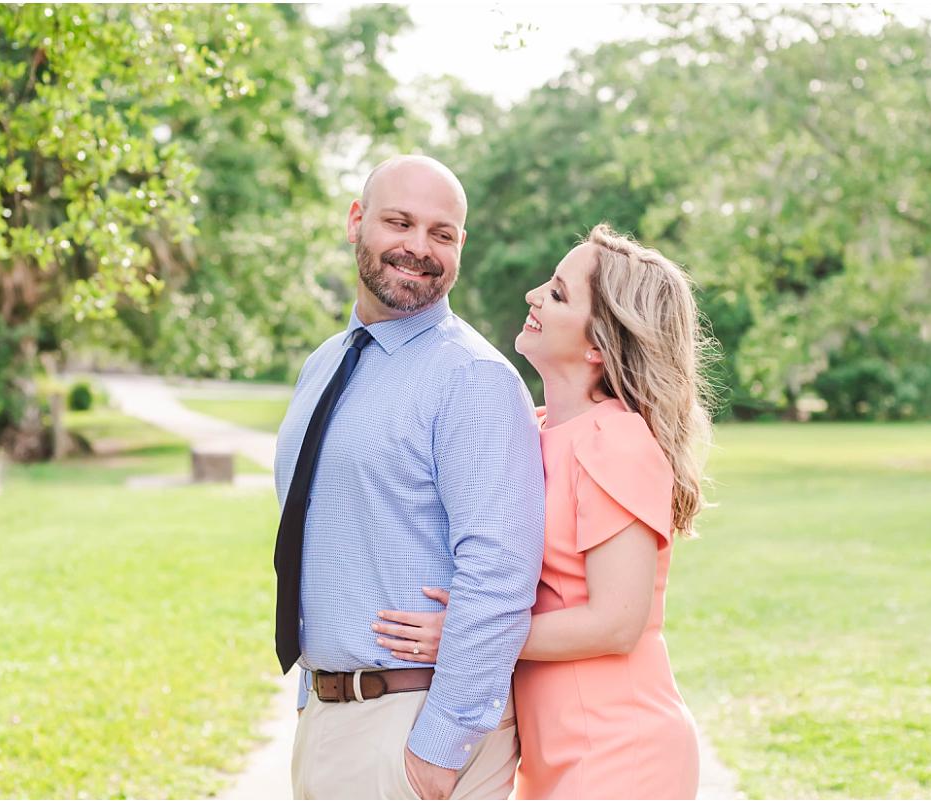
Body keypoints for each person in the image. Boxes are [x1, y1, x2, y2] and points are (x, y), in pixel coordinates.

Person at [374, 223, 712, 799]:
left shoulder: (616, 441)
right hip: (550, 753)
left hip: (619, 752)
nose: (533, 295)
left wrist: (467, 637)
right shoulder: (531, 430)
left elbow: (616, 622)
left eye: (557, 293)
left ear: (599, 344)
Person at [274, 154, 546, 800]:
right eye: (399, 222)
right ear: (355, 222)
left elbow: (501, 572)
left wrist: (436, 749)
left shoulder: (471, 377)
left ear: (461, 246)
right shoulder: (325, 365)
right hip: (330, 717)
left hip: (413, 728)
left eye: (442, 233)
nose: (418, 248)